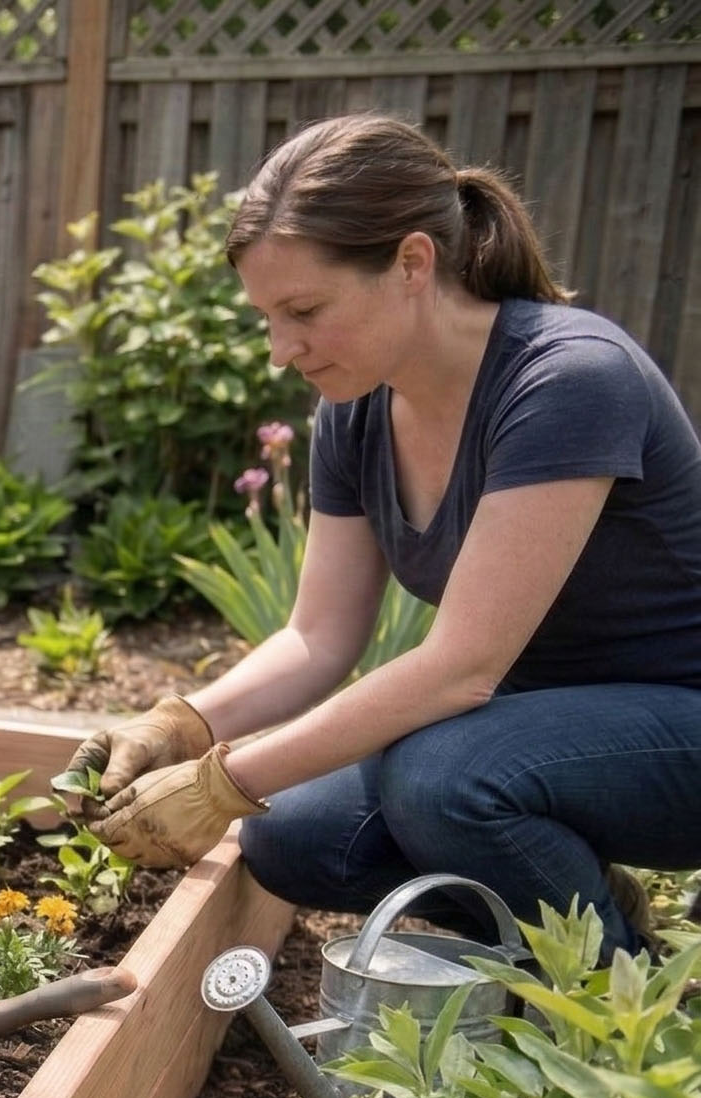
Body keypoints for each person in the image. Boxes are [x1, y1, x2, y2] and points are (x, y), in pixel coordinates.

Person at [67, 113, 701, 960]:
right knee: (293, 835)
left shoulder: (568, 380)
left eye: (303, 310)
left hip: (678, 726)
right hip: (544, 734)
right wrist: (182, 726)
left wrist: (225, 781)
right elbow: (318, 637)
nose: (279, 350)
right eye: (266, 317)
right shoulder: (355, 410)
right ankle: (571, 893)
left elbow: (462, 669)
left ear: (412, 262)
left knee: (447, 782)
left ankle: (619, 996)